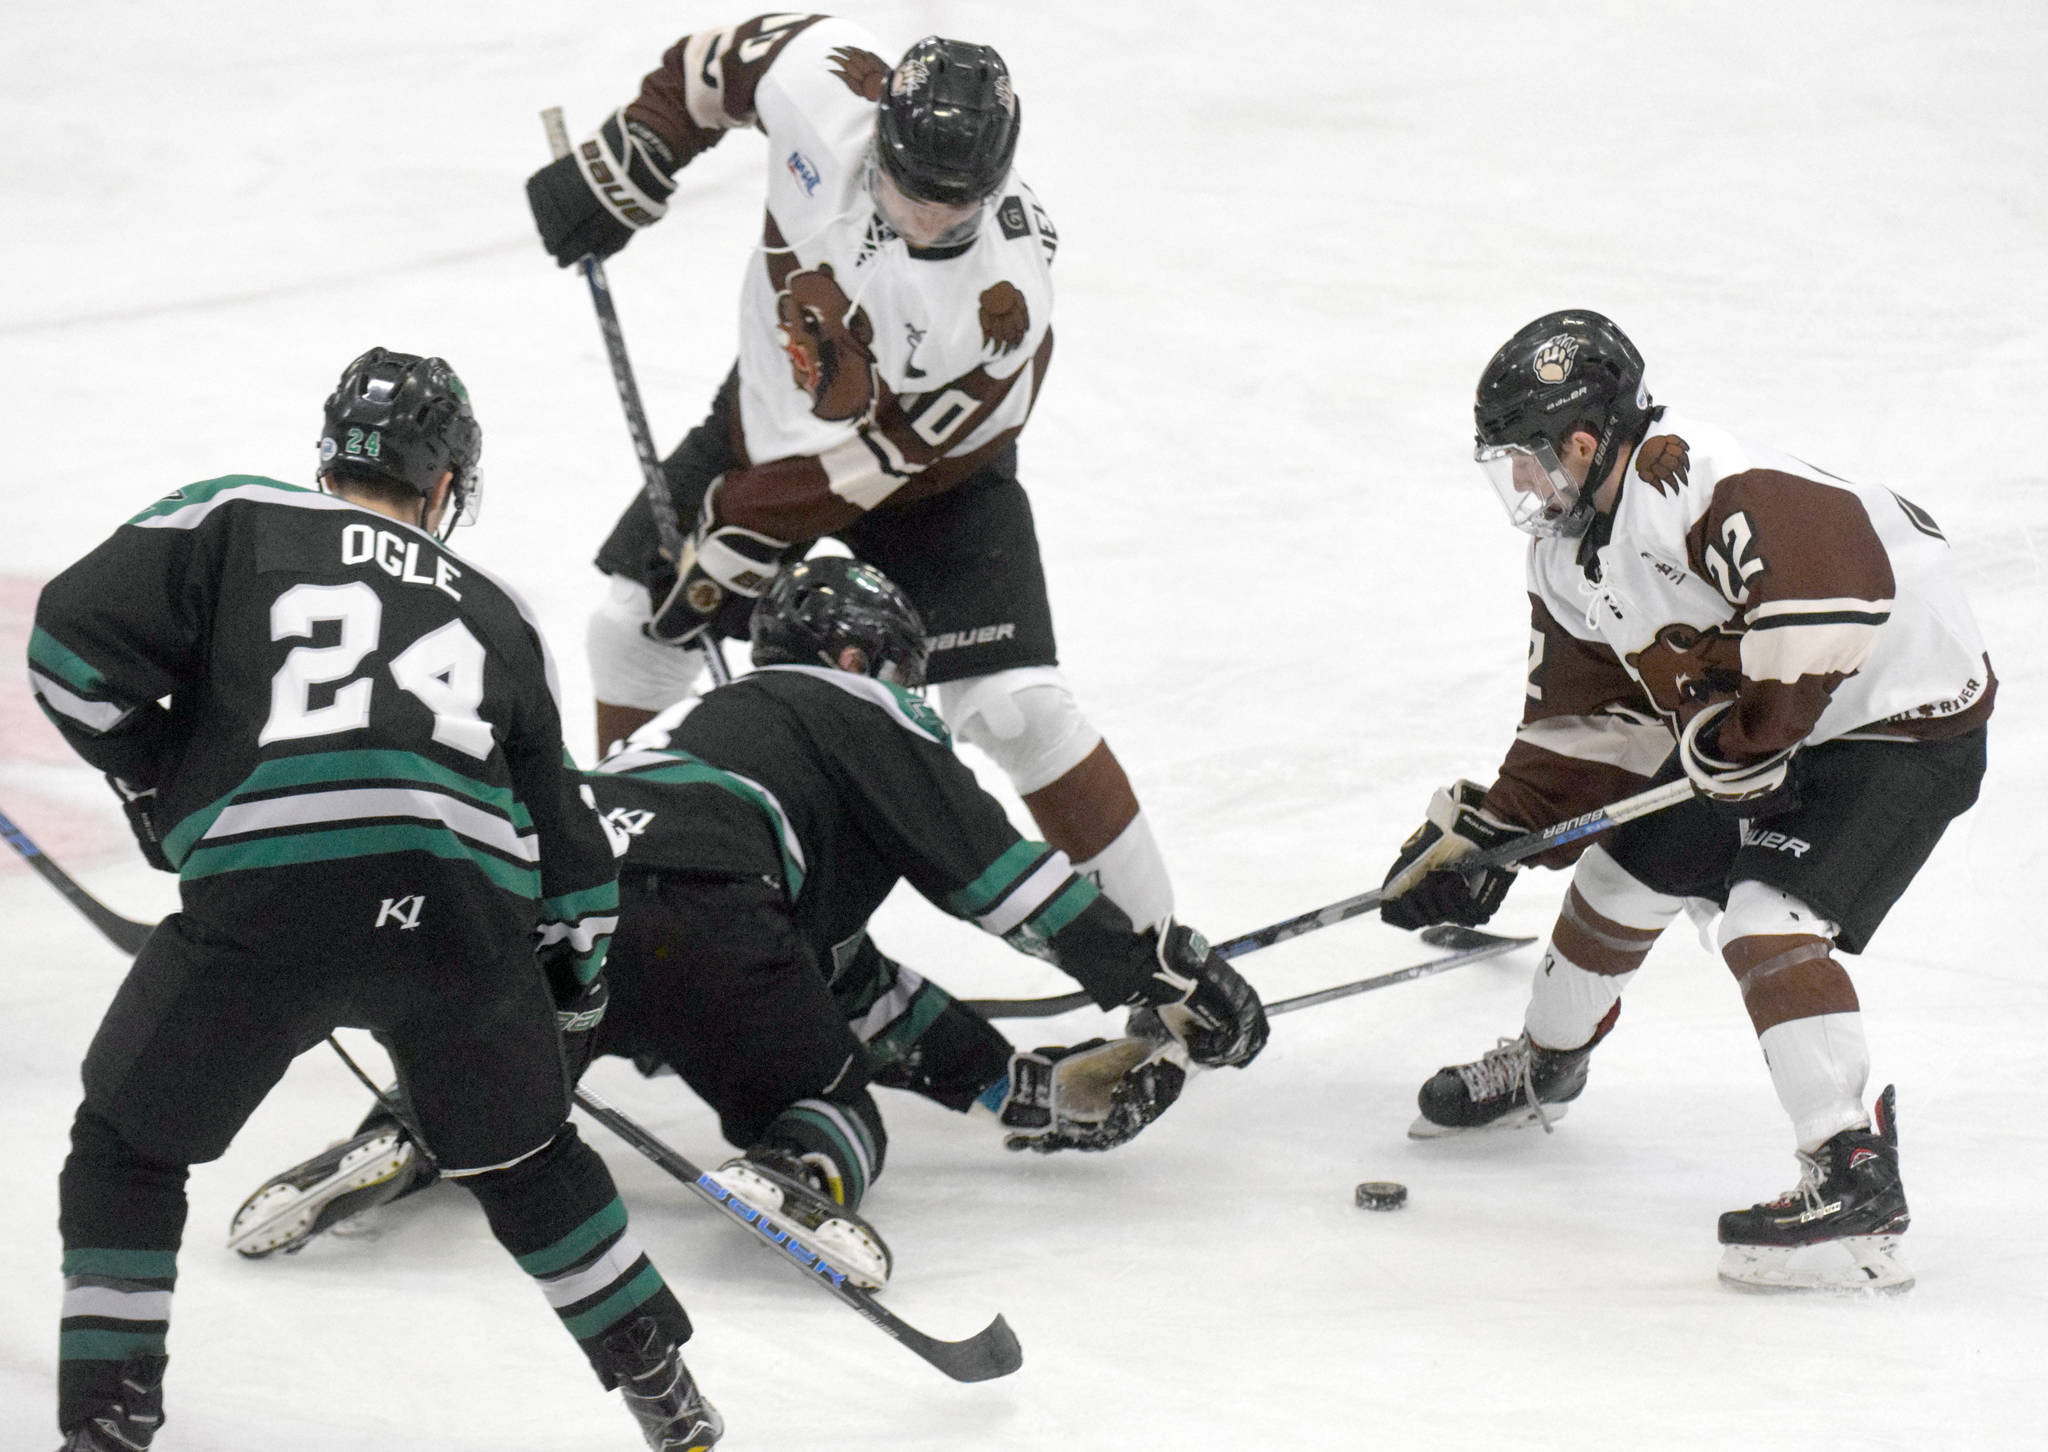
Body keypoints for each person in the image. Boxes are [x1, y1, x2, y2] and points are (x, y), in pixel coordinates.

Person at [227, 556, 1269, 1290]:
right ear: (865, 662)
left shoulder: (695, 728)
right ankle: (798, 1173)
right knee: (828, 1100)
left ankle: (409, 1128)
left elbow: (859, 985)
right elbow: (1000, 881)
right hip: (715, 915)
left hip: (562, 906)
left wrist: (1016, 1084)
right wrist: (1147, 971)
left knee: (508, 1070)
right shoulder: (856, 710)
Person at [28, 350, 720, 1449]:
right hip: (459, 920)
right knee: (529, 1161)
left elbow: (66, 647)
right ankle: (665, 1395)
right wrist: (565, 1001)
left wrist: (165, 779)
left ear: (329, 453)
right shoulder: (499, 614)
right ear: (445, 485)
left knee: (126, 1149)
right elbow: (575, 861)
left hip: (269, 902)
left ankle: (108, 1423)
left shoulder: (235, 517)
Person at [1375, 309, 1992, 1293]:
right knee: (1620, 877)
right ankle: (1545, 1063)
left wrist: (1751, 734)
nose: (1521, 485)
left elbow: (1832, 589)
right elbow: (1590, 727)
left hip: (1898, 724)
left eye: (1527, 459)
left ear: (1581, 441)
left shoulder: (1692, 475)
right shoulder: (1565, 561)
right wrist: (1492, 833)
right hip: (1759, 729)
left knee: (1763, 919)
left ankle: (1849, 1178)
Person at [523, 15, 1181, 932]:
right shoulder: (823, 88)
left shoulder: (1006, 295)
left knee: (1014, 707)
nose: (925, 218)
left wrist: (743, 530)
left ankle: (1160, 961)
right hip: (764, 415)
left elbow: (901, 454)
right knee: (630, 631)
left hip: (940, 484)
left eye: (955, 206)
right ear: (882, 130)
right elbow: (715, 66)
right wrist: (637, 154)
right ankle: (639, 919)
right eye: (911, 189)